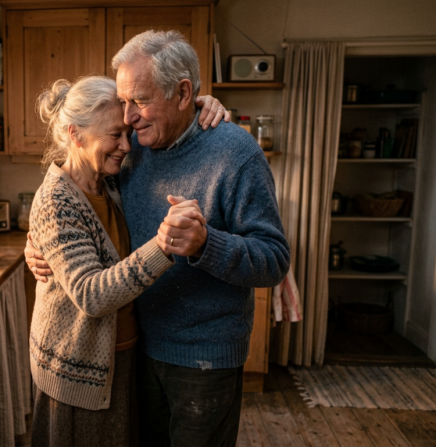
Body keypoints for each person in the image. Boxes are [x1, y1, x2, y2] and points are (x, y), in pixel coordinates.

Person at [26, 30, 291, 446]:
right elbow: (75, 203)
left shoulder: (235, 152)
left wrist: (206, 244)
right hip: (134, 352)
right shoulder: (133, 149)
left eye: (140, 100)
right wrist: (37, 239)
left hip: (203, 361)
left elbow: (274, 260)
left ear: (184, 93)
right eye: (125, 103)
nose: (129, 119)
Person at [28, 76, 226, 447]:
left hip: (121, 360)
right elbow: (91, 294)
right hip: (77, 372)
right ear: (75, 133)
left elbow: (167, 122)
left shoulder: (111, 182)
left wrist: (200, 105)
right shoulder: (57, 200)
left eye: (127, 133)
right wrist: (164, 246)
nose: (126, 145)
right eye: (114, 135)